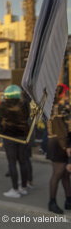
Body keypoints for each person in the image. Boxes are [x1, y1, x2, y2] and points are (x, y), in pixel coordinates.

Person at [0, 85, 30, 198]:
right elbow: (27, 117)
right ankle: (24, 187)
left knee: (12, 163)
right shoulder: (24, 104)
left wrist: (0, 133)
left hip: (9, 136)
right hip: (23, 136)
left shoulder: (3, 105)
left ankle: (15, 189)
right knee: (23, 161)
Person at [46, 84, 71, 214]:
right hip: (59, 143)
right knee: (58, 173)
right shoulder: (58, 108)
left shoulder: (56, 107)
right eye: (67, 92)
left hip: (60, 141)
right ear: (62, 94)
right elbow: (61, 130)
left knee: (65, 174)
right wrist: (66, 147)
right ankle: (52, 202)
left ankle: (68, 200)